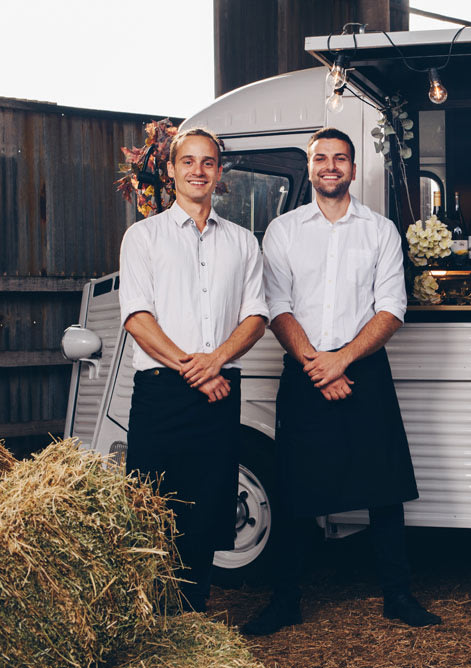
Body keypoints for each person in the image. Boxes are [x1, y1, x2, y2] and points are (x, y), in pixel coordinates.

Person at [242, 127, 440, 635]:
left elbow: (392, 308)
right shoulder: (283, 231)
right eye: (321, 158)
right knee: (291, 490)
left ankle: (398, 596)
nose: (330, 166)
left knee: (385, 488)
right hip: (306, 369)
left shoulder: (380, 230)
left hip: (364, 371)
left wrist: (343, 360)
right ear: (309, 167)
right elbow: (277, 306)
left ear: (353, 168)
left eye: (340, 158)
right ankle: (285, 600)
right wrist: (318, 364)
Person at [119, 128, 268, 612]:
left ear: (219, 173)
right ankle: (153, 613)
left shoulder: (243, 242)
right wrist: (195, 368)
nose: (198, 170)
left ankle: (193, 610)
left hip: (220, 389)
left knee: (206, 504)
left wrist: (215, 362)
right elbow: (138, 319)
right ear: (170, 171)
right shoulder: (143, 237)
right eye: (188, 161)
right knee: (154, 503)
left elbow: (256, 317)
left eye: (208, 162)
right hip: (162, 392)